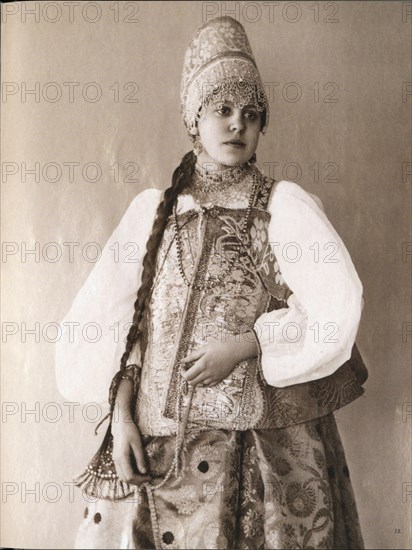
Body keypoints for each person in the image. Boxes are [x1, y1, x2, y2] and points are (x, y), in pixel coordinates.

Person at [55, 16, 367, 550]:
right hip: (159, 443)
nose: (236, 125)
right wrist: (122, 415)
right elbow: (120, 326)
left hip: (258, 447)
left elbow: (335, 306)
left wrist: (246, 345)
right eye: (221, 110)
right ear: (193, 118)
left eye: (250, 114)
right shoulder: (154, 213)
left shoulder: (283, 207)